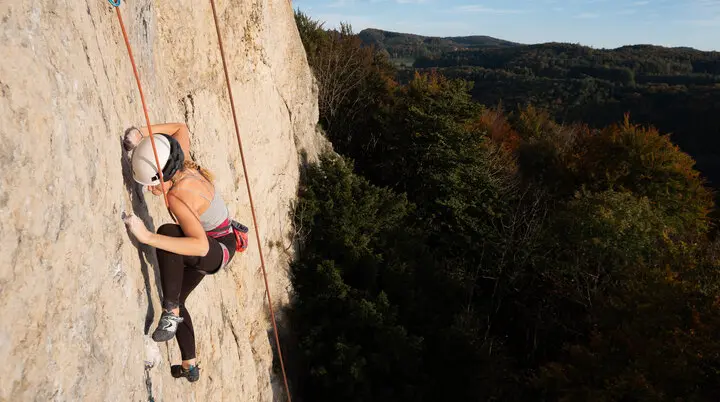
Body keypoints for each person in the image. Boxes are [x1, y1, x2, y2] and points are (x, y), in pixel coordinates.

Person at [122, 123, 248, 383]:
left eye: (151, 185)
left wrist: (146, 236)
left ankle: (170, 312)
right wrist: (145, 140)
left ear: (162, 177)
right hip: (221, 243)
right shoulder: (184, 165)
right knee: (181, 295)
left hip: (216, 249)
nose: (150, 190)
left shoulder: (179, 195)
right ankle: (189, 363)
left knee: (168, 231)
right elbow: (181, 128)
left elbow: (200, 246)